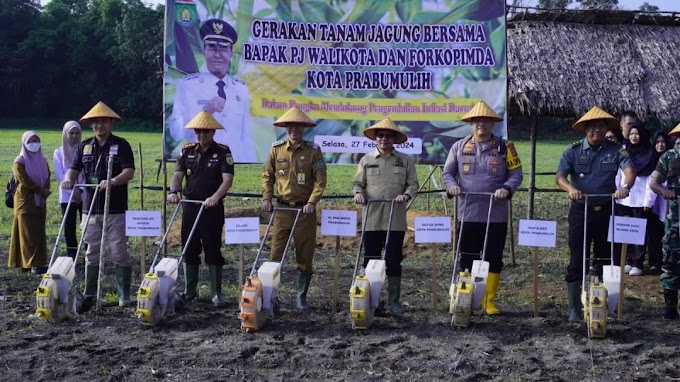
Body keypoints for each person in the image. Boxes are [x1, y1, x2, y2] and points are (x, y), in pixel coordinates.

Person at [442, 101, 523, 315]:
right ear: (470, 124)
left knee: (493, 257)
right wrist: (452, 186)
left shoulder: (506, 147)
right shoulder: (459, 147)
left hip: (495, 214)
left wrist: (507, 188)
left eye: (486, 121)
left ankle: (488, 300)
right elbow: (448, 173)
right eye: (477, 121)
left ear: (493, 124)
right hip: (467, 212)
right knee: (467, 256)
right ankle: (463, 296)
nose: (481, 125)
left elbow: (516, 174)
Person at [556, 106, 635, 321]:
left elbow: (629, 171)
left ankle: (603, 303)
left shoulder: (616, 150)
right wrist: (570, 188)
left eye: (601, 126)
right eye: (592, 127)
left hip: (607, 211)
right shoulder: (572, 150)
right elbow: (560, 176)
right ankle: (574, 307)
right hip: (580, 211)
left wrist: (625, 187)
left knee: (607, 258)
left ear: (606, 128)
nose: (597, 130)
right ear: (585, 129)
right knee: (576, 259)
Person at [61, 102, 136, 311]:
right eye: (95, 122)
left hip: (115, 208)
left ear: (111, 123)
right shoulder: (85, 146)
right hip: (89, 208)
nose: (99, 125)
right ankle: (90, 293)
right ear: (91, 125)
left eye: (103, 121)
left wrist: (113, 181)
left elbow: (129, 171)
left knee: (118, 250)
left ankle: (123, 295)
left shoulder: (121, 145)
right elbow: (73, 169)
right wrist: (68, 180)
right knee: (91, 251)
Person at [261, 105, 327, 310]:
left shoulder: (313, 152)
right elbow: (267, 176)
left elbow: (320, 181)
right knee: (275, 254)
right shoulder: (276, 149)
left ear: (303, 129)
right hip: (282, 210)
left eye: (297, 127)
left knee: (305, 254)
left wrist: (311, 203)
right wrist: (266, 198)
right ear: (285, 128)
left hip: (304, 211)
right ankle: (270, 296)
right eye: (290, 126)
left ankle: (301, 297)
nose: (293, 130)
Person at [167, 111, 234, 307]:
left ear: (213, 132)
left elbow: (227, 180)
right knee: (189, 246)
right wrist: (173, 191)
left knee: (212, 247)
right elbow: (178, 174)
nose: (202, 135)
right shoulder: (187, 150)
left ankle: (216, 293)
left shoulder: (223, 152)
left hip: (211, 207)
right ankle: (190, 291)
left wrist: (215, 197)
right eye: (199, 132)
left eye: (205, 132)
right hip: (190, 205)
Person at [352, 118, 419, 315]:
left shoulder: (405, 160)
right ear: (375, 139)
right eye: (380, 136)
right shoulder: (366, 160)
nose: (384, 139)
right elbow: (357, 184)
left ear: (394, 139)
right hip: (371, 219)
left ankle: (394, 302)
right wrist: (358, 193)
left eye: (388, 136)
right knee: (371, 261)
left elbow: (412, 184)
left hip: (395, 220)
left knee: (393, 260)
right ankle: (371, 301)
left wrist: (406, 195)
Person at [169, 19, 255, 163]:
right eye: (212, 48)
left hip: (231, 164)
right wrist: (206, 111)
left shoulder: (240, 89)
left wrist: (247, 162)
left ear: (231, 53)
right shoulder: (188, 85)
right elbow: (176, 133)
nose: (217, 54)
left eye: (223, 49)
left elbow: (246, 137)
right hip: (199, 162)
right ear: (204, 51)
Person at [615, 123, 658, 276]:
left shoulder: (650, 153)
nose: (634, 136)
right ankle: (627, 260)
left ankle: (638, 263)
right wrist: (617, 191)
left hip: (641, 199)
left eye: (637, 134)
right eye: (631, 134)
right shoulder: (624, 152)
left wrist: (648, 201)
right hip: (624, 198)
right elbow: (619, 174)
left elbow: (651, 180)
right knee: (625, 230)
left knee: (639, 232)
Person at [8, 131, 51, 274]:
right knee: (27, 234)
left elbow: (47, 177)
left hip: (40, 202)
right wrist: (40, 190)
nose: (34, 144)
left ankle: (34, 262)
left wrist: (45, 190)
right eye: (30, 141)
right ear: (24, 143)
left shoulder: (42, 160)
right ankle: (32, 263)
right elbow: (25, 181)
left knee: (38, 233)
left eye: (36, 141)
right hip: (26, 202)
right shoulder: (19, 161)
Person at [649, 122, 680, 319]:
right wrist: (665, 192)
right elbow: (653, 183)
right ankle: (670, 306)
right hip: (675, 217)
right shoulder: (668, 157)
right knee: (671, 258)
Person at [54, 121, 85, 258]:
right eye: (71, 133)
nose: (74, 136)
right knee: (69, 228)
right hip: (67, 196)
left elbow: (87, 173)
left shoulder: (86, 149)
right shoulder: (59, 153)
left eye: (77, 133)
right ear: (65, 134)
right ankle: (72, 256)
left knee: (87, 227)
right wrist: (74, 191)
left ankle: (88, 256)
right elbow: (61, 176)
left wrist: (81, 190)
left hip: (85, 195)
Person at [647, 130, 671, 274]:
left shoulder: (671, 157)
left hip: (669, 200)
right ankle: (654, 262)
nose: (660, 145)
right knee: (654, 232)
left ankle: (667, 262)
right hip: (653, 200)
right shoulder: (650, 158)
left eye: (663, 142)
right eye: (657, 142)